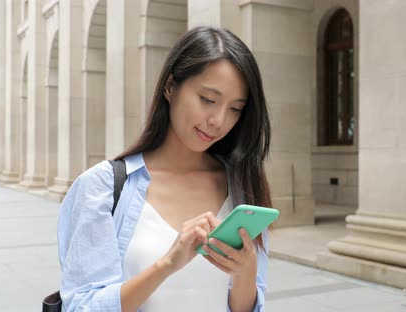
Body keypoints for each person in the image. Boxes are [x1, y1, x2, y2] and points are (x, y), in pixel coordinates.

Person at [56, 26, 272, 312]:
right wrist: (167, 264)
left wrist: (245, 273)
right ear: (171, 87)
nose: (218, 120)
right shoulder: (103, 187)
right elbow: (80, 306)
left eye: (235, 108)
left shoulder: (243, 186)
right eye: (208, 100)